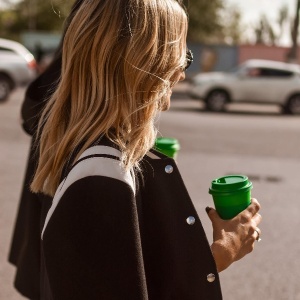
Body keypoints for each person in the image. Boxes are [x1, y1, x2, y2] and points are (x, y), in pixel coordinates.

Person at [29, 0, 262, 299]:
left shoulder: (88, 155)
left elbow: (124, 277)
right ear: (146, 65)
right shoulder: (101, 179)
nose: (182, 75)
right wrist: (218, 257)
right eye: (182, 58)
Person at [8, 1, 83, 299]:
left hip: (49, 231)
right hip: (61, 234)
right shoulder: (81, 92)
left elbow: (29, 114)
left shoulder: (59, 77)